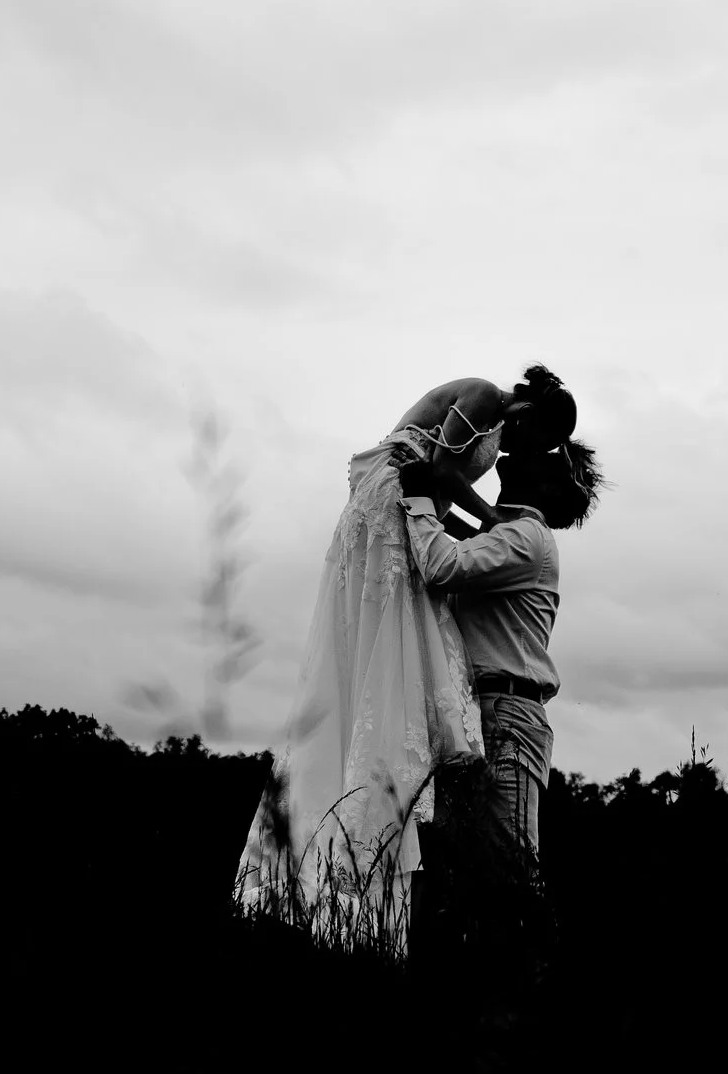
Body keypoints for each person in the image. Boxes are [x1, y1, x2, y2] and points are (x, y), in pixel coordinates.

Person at [229, 369, 572, 951]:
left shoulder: (527, 538)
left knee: (389, 666)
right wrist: (480, 517)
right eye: (531, 433)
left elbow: (444, 523)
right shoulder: (485, 396)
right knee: (393, 659)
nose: (519, 446)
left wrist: (473, 518)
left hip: (411, 512)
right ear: (531, 411)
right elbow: (436, 478)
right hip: (399, 501)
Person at [398, 369, 601, 882]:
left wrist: (421, 503)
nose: (506, 455)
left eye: (526, 456)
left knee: (510, 873)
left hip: (507, 717)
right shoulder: (507, 537)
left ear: (542, 481)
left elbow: (444, 565)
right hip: (480, 714)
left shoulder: (525, 539)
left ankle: (523, 961)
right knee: (465, 872)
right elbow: (457, 542)